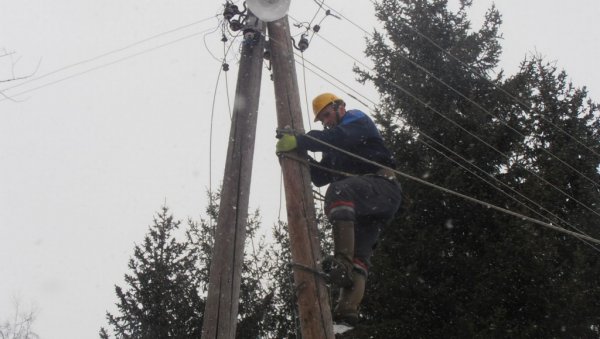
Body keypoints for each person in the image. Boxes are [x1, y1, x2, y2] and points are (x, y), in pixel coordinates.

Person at [275, 93, 402, 325]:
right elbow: (321, 176)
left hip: (382, 187)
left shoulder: (355, 119)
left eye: (327, 114)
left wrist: (301, 140)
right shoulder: (332, 148)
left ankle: (341, 263)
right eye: (322, 119)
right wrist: (296, 154)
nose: (326, 121)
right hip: (368, 207)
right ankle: (346, 313)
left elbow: (338, 137)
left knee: (339, 191)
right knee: (360, 258)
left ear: (340, 107)